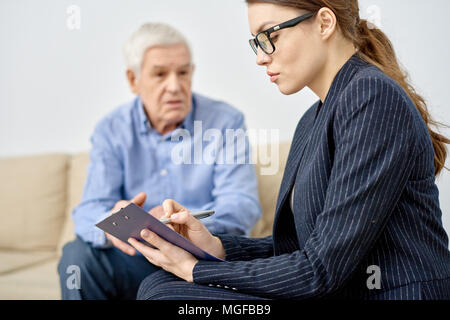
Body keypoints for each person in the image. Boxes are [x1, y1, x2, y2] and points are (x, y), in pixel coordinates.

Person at [131, 0, 450, 300]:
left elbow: (321, 269)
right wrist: (217, 248)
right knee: (159, 283)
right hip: (337, 288)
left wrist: (196, 269)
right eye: (256, 42)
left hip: (389, 292)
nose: (261, 56)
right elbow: (296, 249)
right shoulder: (311, 122)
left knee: (165, 293)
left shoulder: (371, 96)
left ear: (324, 22)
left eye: (270, 36)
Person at [57, 22, 262, 300]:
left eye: (183, 72)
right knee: (76, 257)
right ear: (133, 80)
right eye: (160, 74)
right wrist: (114, 222)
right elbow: (89, 209)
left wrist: (185, 227)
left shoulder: (226, 121)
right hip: (136, 255)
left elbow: (241, 206)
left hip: (200, 261)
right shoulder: (111, 129)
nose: (174, 86)